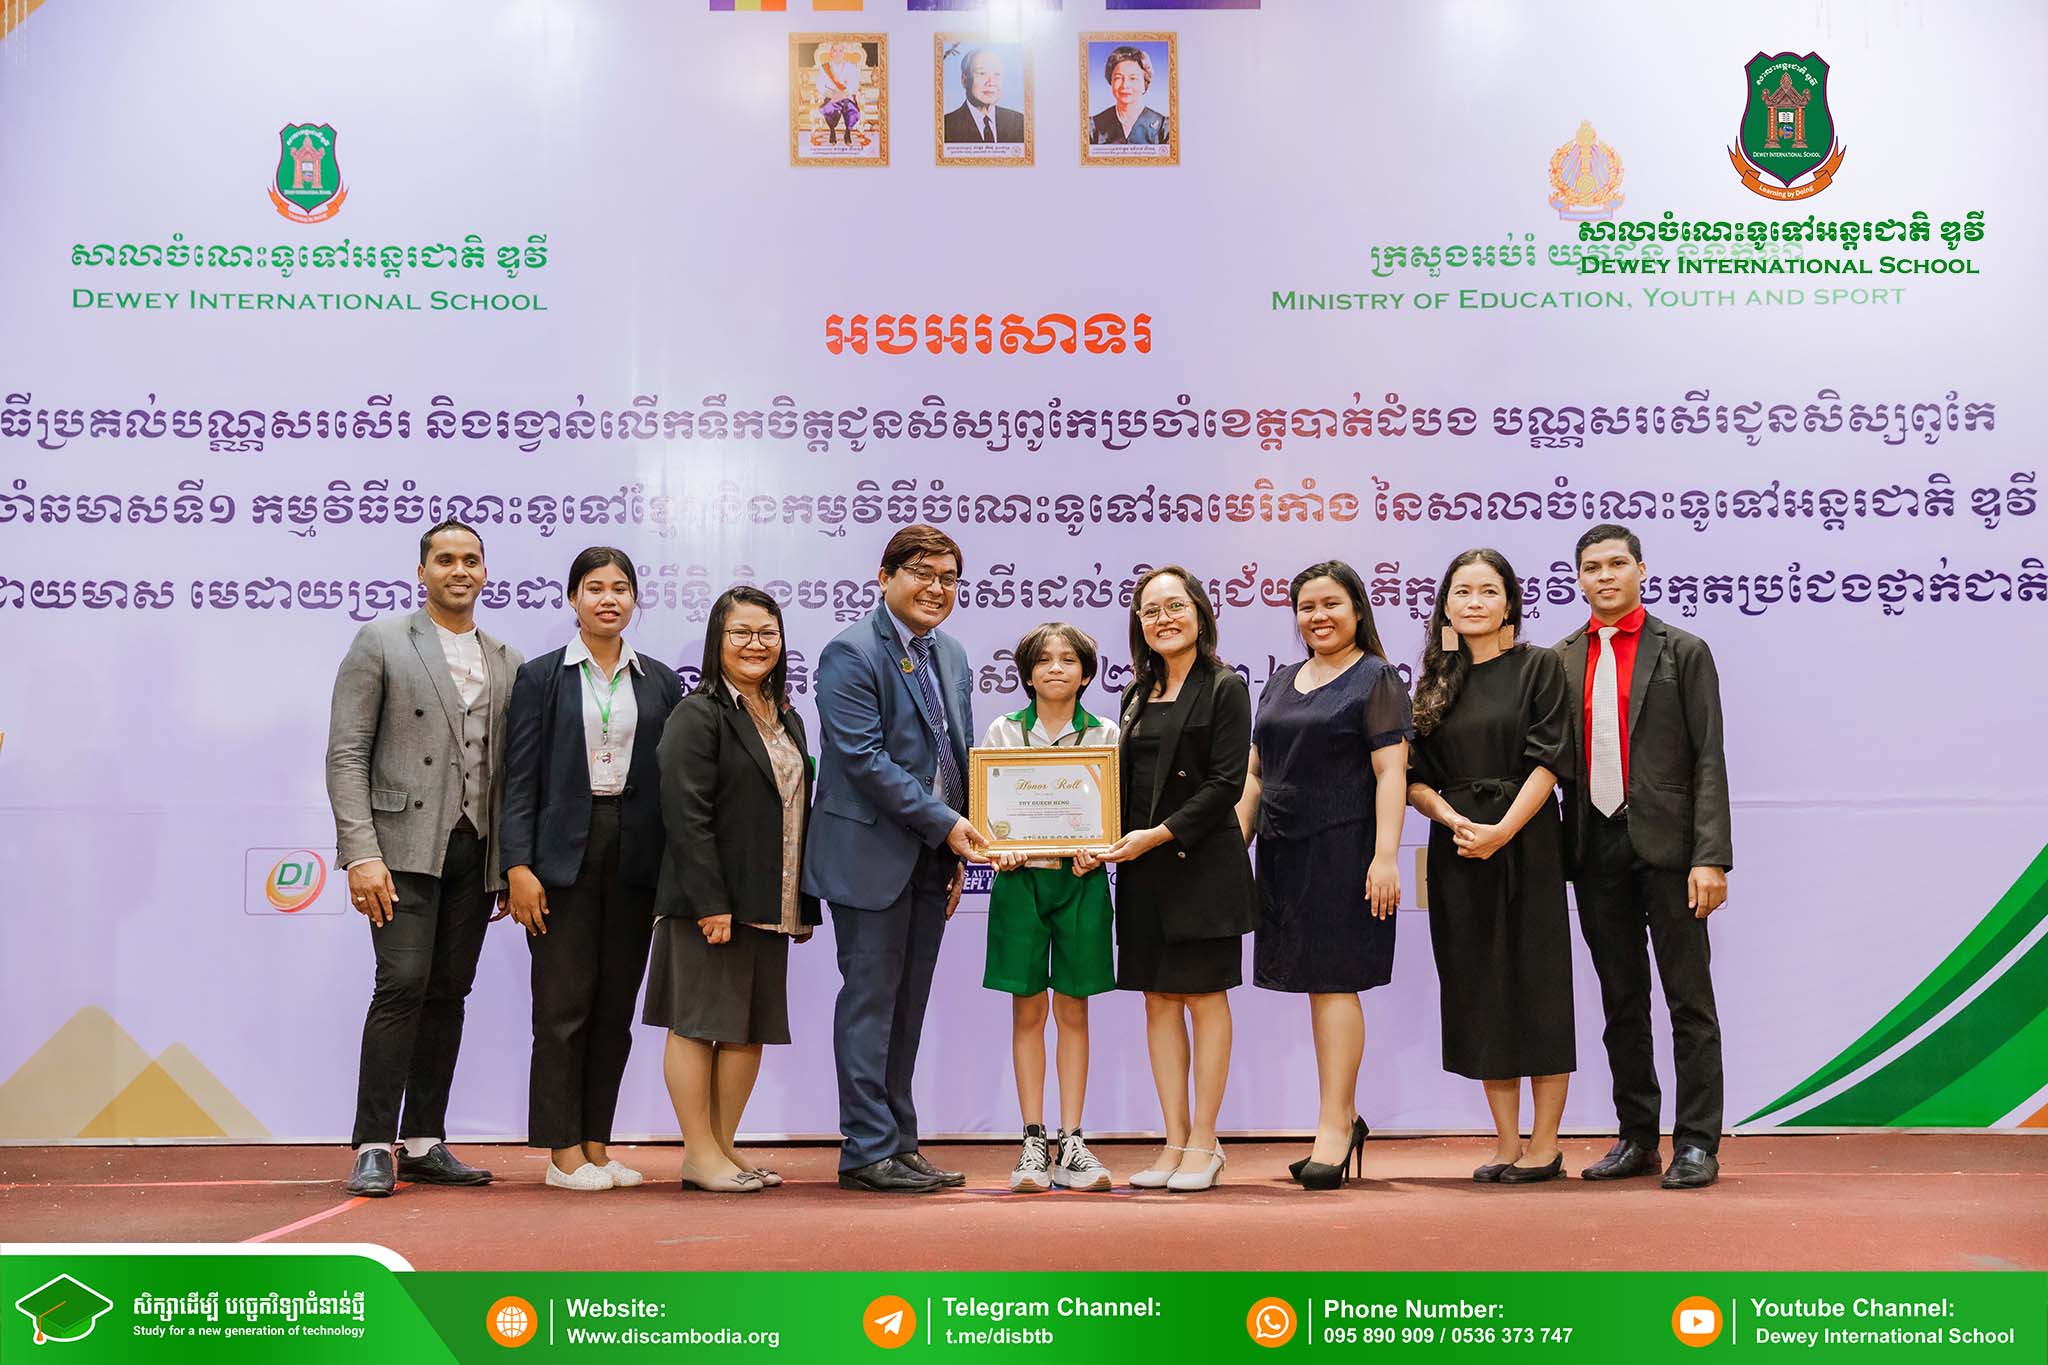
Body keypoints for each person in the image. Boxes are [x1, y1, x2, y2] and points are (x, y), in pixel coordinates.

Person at [326, 519, 522, 1198]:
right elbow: (347, 753)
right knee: (402, 984)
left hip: (476, 849)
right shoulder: (381, 641)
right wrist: (360, 852)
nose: (458, 570)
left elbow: (511, 771)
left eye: (471, 559)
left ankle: (422, 1140)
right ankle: (372, 1143)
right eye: (445, 559)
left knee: (449, 993)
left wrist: (509, 861)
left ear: (485, 572)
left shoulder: (507, 658)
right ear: (422, 572)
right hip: (401, 847)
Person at [803, 525, 990, 1194]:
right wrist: (948, 824)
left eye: (949, 577)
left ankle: (899, 1143)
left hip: (931, 857)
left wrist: (956, 846)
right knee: (870, 1006)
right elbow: (863, 758)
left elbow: (955, 755)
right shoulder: (850, 651)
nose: (936, 587)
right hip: (868, 856)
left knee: (907, 1008)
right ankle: (864, 1149)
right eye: (921, 572)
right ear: (884, 577)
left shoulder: (952, 653)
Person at [1554, 525, 1731, 1190]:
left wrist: (1710, 856)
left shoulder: (1683, 650)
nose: (1605, 575)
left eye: (1617, 563)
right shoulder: (1560, 659)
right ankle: (1636, 1137)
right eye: (1592, 566)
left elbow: (1708, 757)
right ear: (1578, 579)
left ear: (1641, 570)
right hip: (1592, 847)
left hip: (1673, 850)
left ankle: (1697, 1143)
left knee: (1690, 999)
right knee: (1621, 1001)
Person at [500, 547, 682, 1192]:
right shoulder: (541, 677)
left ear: (635, 600)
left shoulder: (660, 681)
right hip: (559, 859)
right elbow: (518, 778)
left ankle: (598, 1146)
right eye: (595, 588)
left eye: (621, 588)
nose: (609, 599)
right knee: (562, 1008)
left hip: (635, 857)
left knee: (613, 1008)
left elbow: (672, 783)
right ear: (573, 598)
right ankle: (562, 1153)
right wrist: (517, 865)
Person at [1075, 566, 1255, 1192]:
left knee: (1205, 999)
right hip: (1144, 872)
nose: (1163, 619)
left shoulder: (1225, 687)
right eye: (1150, 611)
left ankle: (1206, 1140)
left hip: (1200, 867)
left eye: (1174, 606)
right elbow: (1120, 784)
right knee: (1157, 1000)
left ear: (1200, 613)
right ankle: (1174, 1140)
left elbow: (1225, 784)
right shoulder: (1136, 692)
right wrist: (1095, 839)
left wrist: (1157, 835)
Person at [1235, 561, 1411, 1190]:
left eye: (1332, 603)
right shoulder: (1280, 681)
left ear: (1357, 609)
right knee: (1315, 988)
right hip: (1282, 852)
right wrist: (1234, 846)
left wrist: (1385, 856)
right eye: (1307, 606)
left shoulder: (1377, 677)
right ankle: (1343, 1116)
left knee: (1336, 986)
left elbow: (1392, 772)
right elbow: (1255, 773)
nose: (1319, 616)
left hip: (1346, 850)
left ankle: (1334, 1127)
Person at [1406, 548, 1576, 1184]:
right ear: (1446, 606)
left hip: (1527, 841)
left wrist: (1502, 831)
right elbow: (1413, 779)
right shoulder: (1434, 681)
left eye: (1487, 590)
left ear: (1509, 603)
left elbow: (1551, 759)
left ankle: (1545, 1144)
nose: (1474, 602)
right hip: (1458, 847)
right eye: (1462, 591)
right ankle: (1506, 1143)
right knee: (1479, 990)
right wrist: (1453, 820)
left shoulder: (1539, 666)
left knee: (1538, 985)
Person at [645, 586, 819, 1193]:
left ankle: (721, 1147)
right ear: (717, 640)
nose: (755, 644)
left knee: (747, 1030)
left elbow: (794, 812)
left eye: (767, 633)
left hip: (771, 902)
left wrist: (800, 904)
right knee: (697, 1025)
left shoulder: (787, 716)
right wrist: (710, 901)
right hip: (710, 904)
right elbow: (684, 814)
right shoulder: (698, 714)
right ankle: (697, 1153)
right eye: (740, 632)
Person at [980, 623, 1119, 1194]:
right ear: (1028, 674)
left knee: (1075, 1011)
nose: (1055, 668)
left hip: (1082, 881)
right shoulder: (1004, 731)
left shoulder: (1105, 732)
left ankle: (1073, 1139)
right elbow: (993, 813)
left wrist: (1100, 846)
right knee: (1027, 1011)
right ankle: (1033, 1140)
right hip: (1020, 883)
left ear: (1085, 674)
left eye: (1068, 659)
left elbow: (1112, 813)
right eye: (1043, 660)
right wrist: (1000, 845)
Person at [1090, 44, 1170, 146]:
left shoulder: (1164, 127)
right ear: (1111, 81)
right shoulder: (1093, 126)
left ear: (1145, 83)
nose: (1125, 85)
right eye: (1118, 78)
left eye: (1133, 78)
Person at [943, 46, 1025, 145]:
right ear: (964, 80)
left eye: (997, 74)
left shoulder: (1019, 122)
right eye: (982, 73)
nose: (990, 82)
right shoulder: (946, 126)